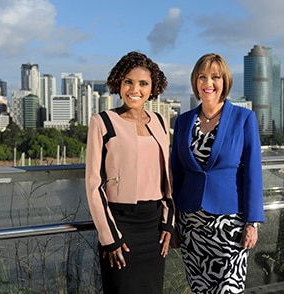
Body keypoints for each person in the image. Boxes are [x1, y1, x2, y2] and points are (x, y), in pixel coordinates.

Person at [171, 53, 265, 293]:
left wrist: (252, 222)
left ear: (225, 82)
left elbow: (253, 172)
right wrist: (172, 222)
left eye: (215, 77)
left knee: (228, 289)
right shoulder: (182, 122)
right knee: (199, 287)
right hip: (190, 224)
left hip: (229, 224)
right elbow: (176, 174)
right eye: (202, 77)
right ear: (195, 82)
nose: (208, 83)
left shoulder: (244, 118)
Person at [85, 51, 174, 294]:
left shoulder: (160, 121)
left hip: (154, 228)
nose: (135, 89)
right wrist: (109, 236)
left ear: (152, 87)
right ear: (119, 84)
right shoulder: (103, 122)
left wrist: (168, 224)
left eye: (143, 83)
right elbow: (94, 186)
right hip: (120, 226)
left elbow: (166, 178)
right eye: (128, 82)